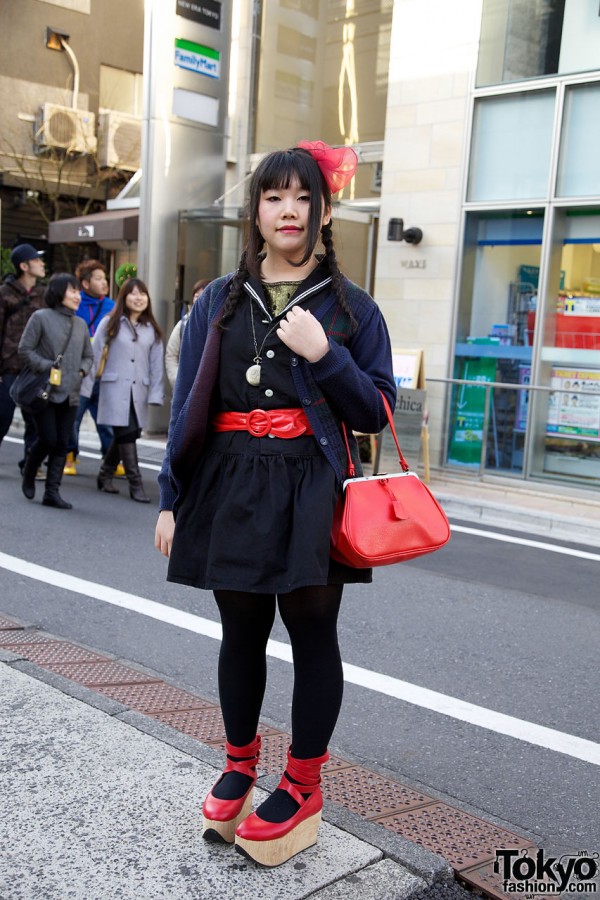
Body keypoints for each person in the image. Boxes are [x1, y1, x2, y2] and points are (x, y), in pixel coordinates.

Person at [154, 141, 396, 867]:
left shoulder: (354, 309)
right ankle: (238, 761)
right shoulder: (218, 301)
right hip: (229, 479)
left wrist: (327, 353)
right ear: (255, 212)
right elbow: (190, 404)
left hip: (311, 481)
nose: (287, 210)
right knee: (240, 628)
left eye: (302, 198)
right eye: (273, 197)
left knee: (313, 631)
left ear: (323, 213)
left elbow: (376, 412)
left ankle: (303, 782)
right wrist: (172, 497)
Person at [82, 277, 164, 502]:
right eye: (133, 293)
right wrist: (86, 388)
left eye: (143, 294)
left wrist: (156, 393)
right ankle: (135, 483)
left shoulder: (152, 330)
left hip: (138, 391)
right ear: (124, 297)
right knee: (127, 433)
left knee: (127, 433)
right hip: (114, 388)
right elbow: (95, 354)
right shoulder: (110, 323)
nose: (139, 298)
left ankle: (104, 474)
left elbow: (157, 365)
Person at [18, 273, 92, 509]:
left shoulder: (80, 324)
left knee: (62, 443)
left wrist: (81, 371)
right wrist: (47, 367)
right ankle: (30, 469)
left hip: (70, 393)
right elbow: (25, 349)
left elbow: (88, 356)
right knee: (47, 439)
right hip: (45, 390)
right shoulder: (40, 317)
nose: (77, 296)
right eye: (73, 290)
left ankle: (52, 492)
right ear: (59, 292)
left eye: (79, 291)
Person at [64, 259, 115, 476]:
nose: (104, 283)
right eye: (99, 279)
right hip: (80, 371)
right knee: (73, 417)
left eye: (105, 278)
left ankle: (110, 460)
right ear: (85, 283)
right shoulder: (76, 304)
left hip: (104, 372)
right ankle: (69, 457)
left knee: (106, 420)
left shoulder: (111, 306)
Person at [0, 243, 46, 468]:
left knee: (35, 420)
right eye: (37, 260)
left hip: (35, 367)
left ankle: (30, 464)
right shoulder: (5, 293)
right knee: (3, 416)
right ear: (24, 265)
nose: (42, 263)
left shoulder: (44, 294)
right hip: (10, 366)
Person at [165, 278, 211, 389]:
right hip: (186, 388)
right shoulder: (183, 324)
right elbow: (171, 355)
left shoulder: (221, 324)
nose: (200, 299)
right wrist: (178, 380)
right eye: (196, 295)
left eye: (205, 295)